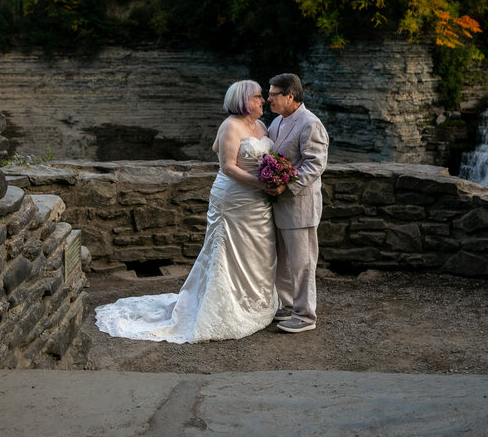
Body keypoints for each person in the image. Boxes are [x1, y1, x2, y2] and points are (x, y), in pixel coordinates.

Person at [94, 80, 278, 343]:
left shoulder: (260, 126)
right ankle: (224, 309)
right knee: (226, 254)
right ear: (243, 101)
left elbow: (236, 151)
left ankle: (253, 304)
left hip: (257, 202)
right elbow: (227, 166)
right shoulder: (230, 125)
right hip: (233, 200)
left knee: (255, 251)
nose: (262, 101)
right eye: (258, 97)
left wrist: (273, 178)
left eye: (262, 97)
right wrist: (261, 183)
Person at [265, 73, 329, 333]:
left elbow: (315, 163)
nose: (268, 98)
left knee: (302, 262)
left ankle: (305, 315)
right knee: (283, 260)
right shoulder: (277, 122)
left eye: (273, 94)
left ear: (289, 96)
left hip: (300, 203)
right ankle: (287, 306)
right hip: (279, 205)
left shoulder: (310, 124)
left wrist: (286, 185)